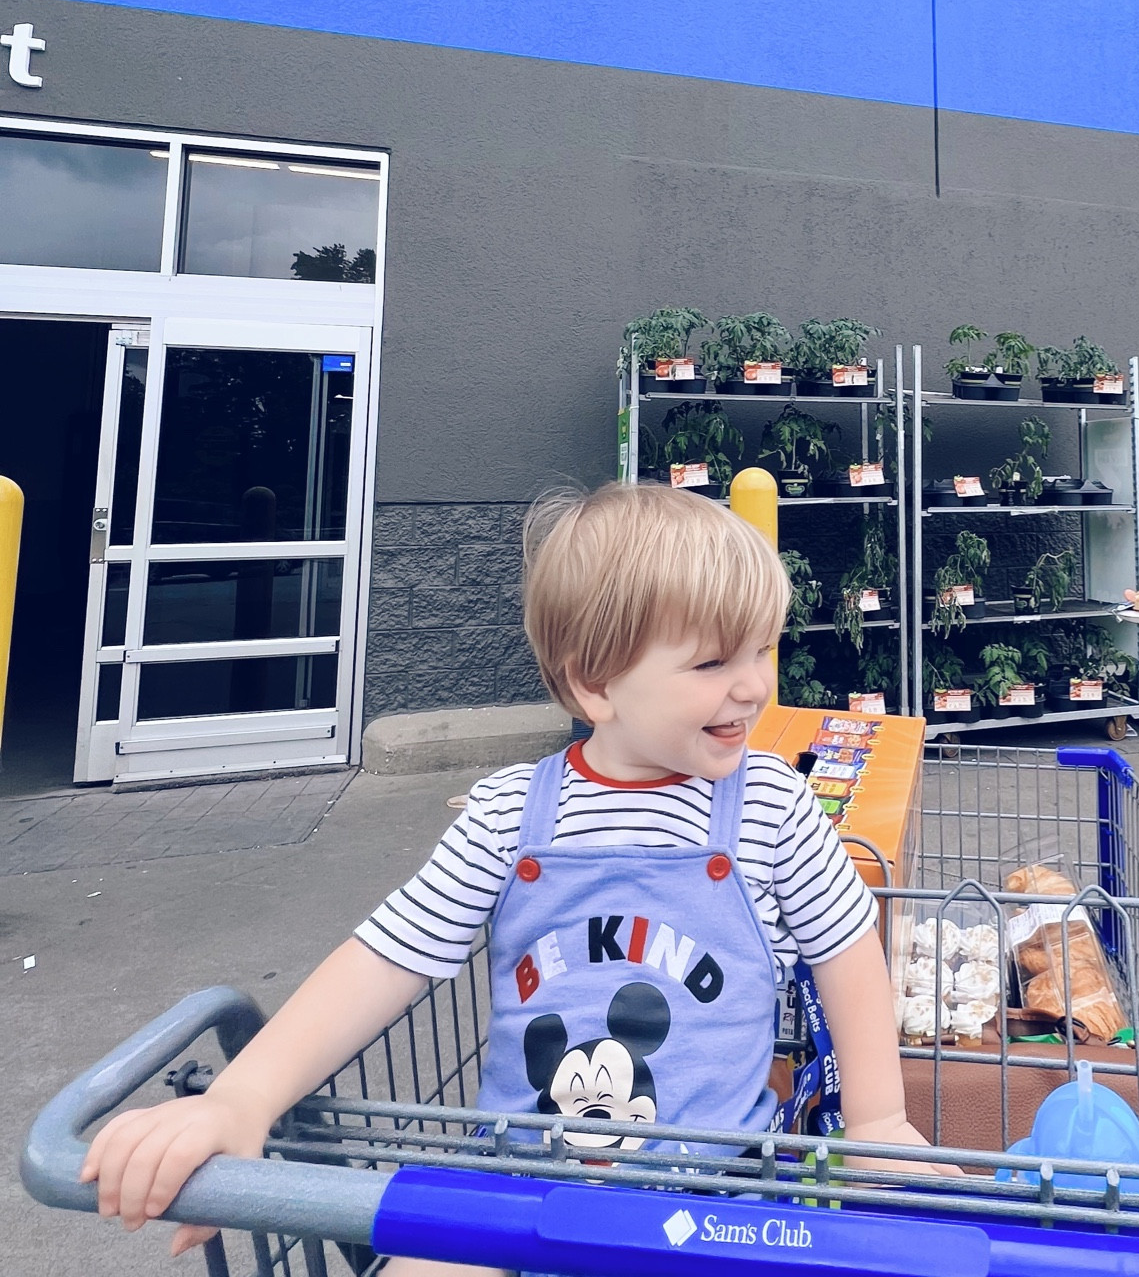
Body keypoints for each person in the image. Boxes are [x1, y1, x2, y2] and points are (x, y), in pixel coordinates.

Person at [81, 483, 942, 1271]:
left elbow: (846, 954)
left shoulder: (772, 806)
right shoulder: (508, 814)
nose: (754, 685)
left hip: (714, 1201)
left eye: (762, 648)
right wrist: (243, 1098)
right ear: (595, 685)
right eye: (713, 663)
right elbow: (387, 958)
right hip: (512, 1186)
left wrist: (876, 1124)